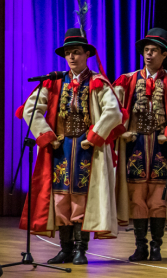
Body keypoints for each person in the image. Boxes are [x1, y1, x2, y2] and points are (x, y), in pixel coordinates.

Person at [19, 17, 123, 264]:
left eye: (76, 52)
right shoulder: (54, 81)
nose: (72, 57)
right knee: (60, 196)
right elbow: (30, 109)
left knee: (82, 196)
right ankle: (65, 249)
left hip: (88, 148)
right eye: (68, 53)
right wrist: (46, 136)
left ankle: (80, 250)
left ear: (87, 54)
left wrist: (94, 136)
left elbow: (113, 112)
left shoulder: (98, 82)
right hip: (62, 147)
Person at [113, 23, 167, 262]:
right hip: (135, 144)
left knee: (159, 196)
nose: (149, 54)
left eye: (154, 50)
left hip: (162, 145)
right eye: (146, 50)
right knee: (137, 194)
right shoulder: (127, 80)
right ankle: (141, 245)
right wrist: (122, 131)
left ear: (164, 55)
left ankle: (157, 245)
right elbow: (112, 107)